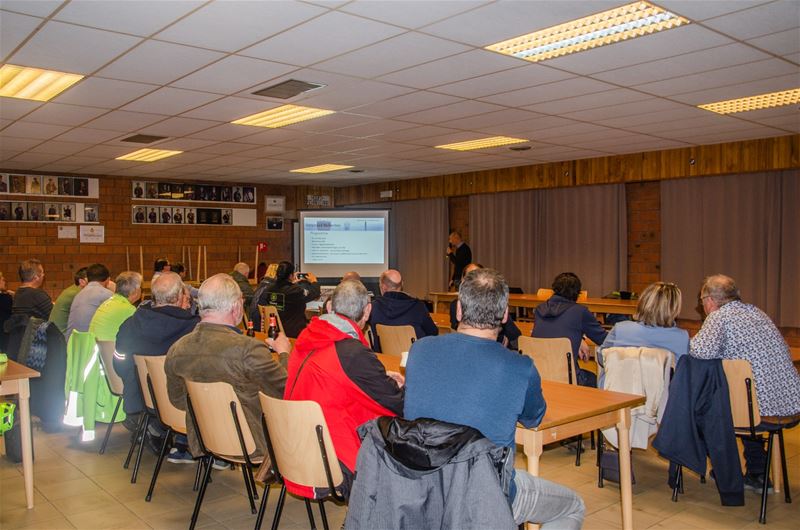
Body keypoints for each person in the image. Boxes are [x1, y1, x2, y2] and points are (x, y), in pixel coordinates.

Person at [404, 268, 584, 528]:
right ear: (505, 314)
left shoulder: (419, 351)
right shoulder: (520, 368)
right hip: (486, 496)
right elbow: (534, 419)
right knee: (573, 506)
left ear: (458, 311)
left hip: (424, 490)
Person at [287, 279, 404, 498]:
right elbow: (396, 403)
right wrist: (397, 385)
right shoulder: (352, 353)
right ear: (367, 311)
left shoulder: (306, 338)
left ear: (329, 307)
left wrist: (378, 379)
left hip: (293, 449)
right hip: (331, 460)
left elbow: (338, 380)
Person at [690, 274, 800, 491]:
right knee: (743, 400)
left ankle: (725, 473)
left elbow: (698, 351)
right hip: (789, 406)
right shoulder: (757, 313)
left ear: (710, 300)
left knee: (703, 410)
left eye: (702, 301)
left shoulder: (719, 317)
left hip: (757, 413)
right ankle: (758, 474)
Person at [165, 274, 288, 462]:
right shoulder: (249, 350)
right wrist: (284, 354)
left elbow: (178, 401)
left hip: (204, 437)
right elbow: (287, 392)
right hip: (254, 443)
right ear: (236, 307)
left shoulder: (177, 348)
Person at [115, 272, 199, 459]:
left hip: (140, 398)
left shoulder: (130, 324)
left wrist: (133, 382)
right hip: (178, 405)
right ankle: (184, 442)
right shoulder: (194, 330)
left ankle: (157, 428)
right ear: (180, 297)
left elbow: (119, 361)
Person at [597, 282, 689, 378]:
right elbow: (682, 373)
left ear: (643, 302)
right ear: (674, 309)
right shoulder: (682, 338)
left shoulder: (620, 329)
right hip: (661, 392)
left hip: (616, 389)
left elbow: (601, 357)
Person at [533, 272, 607, 387]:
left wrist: (580, 338)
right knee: (598, 379)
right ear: (577, 294)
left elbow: (555, 331)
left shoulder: (539, 309)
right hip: (568, 379)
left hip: (539, 376)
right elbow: (603, 340)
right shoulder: (580, 312)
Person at [449, 263, 522, 349]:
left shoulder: (494, 305)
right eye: (471, 278)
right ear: (462, 280)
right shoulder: (456, 305)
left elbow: (514, 335)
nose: (475, 282)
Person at [368, 269, 437, 353]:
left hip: (384, 360)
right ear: (402, 285)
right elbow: (433, 332)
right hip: (412, 360)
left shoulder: (372, 308)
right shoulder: (418, 307)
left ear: (383, 287)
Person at [254, 261, 320, 338]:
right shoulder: (295, 291)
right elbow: (314, 293)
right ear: (290, 276)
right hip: (293, 333)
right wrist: (314, 281)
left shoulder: (268, 289)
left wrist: (292, 284)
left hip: (275, 331)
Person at [88, 272, 142, 342]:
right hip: (108, 350)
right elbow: (141, 335)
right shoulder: (129, 310)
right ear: (136, 291)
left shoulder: (107, 302)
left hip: (92, 348)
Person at [66, 263, 114, 342]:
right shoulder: (106, 294)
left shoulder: (79, 294)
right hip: (88, 346)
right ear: (108, 280)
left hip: (72, 345)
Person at [49, 267, 88, 335]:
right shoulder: (77, 294)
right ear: (82, 281)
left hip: (55, 335)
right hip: (61, 338)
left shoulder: (73, 290)